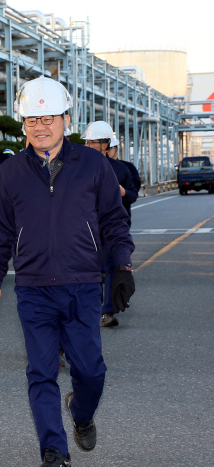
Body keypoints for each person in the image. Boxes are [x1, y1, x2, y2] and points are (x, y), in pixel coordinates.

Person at [0, 76, 135, 467]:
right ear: (23, 124)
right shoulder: (11, 172)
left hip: (82, 284)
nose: (40, 126)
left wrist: (122, 267)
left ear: (66, 119)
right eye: (32, 119)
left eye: (48, 118)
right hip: (33, 289)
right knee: (41, 372)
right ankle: (55, 453)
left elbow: (114, 221)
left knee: (90, 370)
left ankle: (81, 413)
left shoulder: (93, 165)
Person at [82, 121, 138, 328]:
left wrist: (123, 192)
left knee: (110, 267)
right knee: (90, 270)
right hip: (84, 228)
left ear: (105, 145)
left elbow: (132, 194)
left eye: (92, 142)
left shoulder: (120, 169)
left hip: (109, 227)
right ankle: (89, 309)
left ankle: (106, 311)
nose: (88, 146)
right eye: (86, 142)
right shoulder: (77, 168)